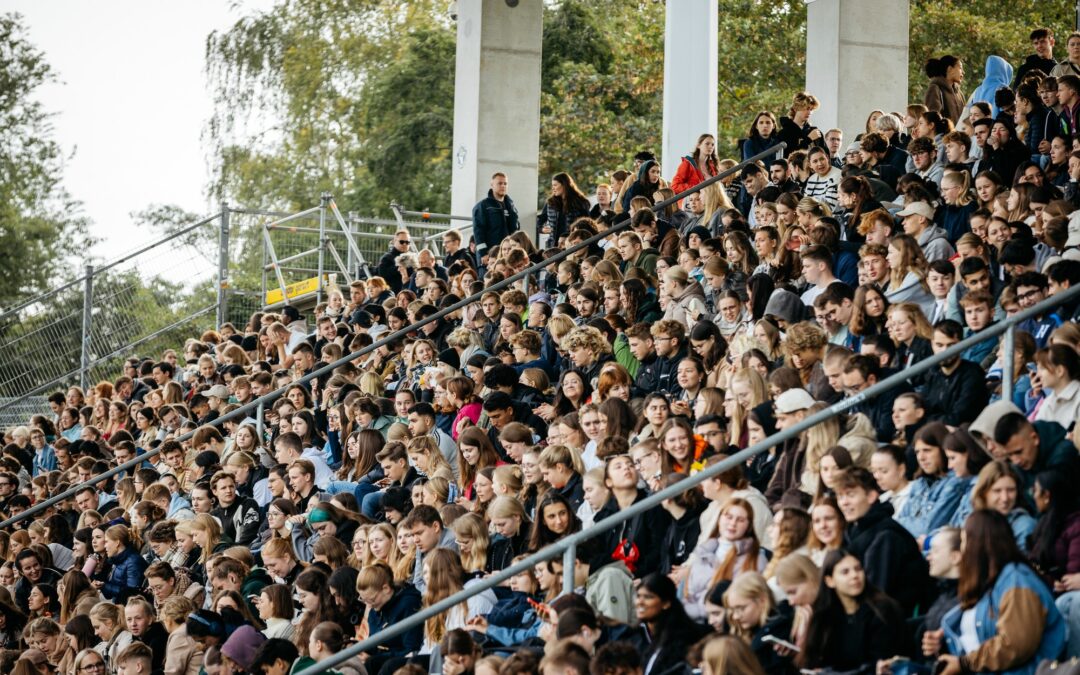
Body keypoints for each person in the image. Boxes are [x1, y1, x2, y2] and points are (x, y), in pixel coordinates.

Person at [937, 510, 1065, 675]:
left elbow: (1014, 645)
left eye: (963, 540)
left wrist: (964, 663)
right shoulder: (993, 581)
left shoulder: (1017, 581)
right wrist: (942, 641)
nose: (963, 549)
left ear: (979, 543)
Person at [834, 467, 930, 615]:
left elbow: (878, 593)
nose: (844, 502)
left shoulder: (887, 536)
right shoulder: (853, 530)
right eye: (840, 496)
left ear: (871, 496)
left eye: (850, 495)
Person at [799, 549, 909, 672]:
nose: (855, 575)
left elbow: (880, 664)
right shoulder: (825, 615)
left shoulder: (883, 610)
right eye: (845, 572)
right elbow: (813, 661)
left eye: (858, 569)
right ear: (830, 581)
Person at [472, 172, 520, 269]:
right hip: (489, 256)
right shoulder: (483, 206)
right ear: (492, 185)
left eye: (505, 183)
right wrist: (483, 253)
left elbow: (516, 231)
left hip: (507, 254)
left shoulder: (511, 206)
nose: (503, 186)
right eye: (499, 183)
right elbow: (478, 232)